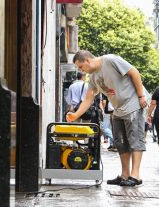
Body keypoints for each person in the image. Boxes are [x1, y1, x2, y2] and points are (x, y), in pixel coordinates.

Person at [66, 50, 148, 187]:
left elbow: (134, 72)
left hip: (133, 103)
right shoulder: (92, 77)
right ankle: (125, 175)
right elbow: (88, 99)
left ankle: (136, 176)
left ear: (87, 60)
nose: (82, 71)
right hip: (118, 109)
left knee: (135, 139)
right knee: (120, 142)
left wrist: (141, 96)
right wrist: (75, 115)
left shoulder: (110, 60)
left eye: (81, 67)